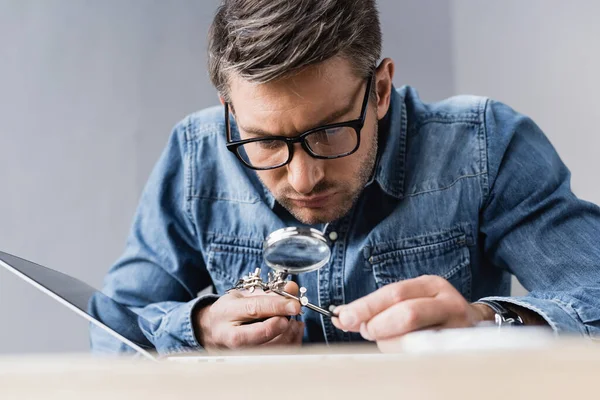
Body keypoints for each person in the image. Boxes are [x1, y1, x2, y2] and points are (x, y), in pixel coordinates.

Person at [96, 0, 600, 354]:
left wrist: (488, 324)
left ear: (380, 89)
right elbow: (111, 329)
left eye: (331, 132)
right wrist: (200, 327)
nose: (303, 177)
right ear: (230, 113)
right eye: (266, 141)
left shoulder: (485, 146)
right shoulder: (197, 152)